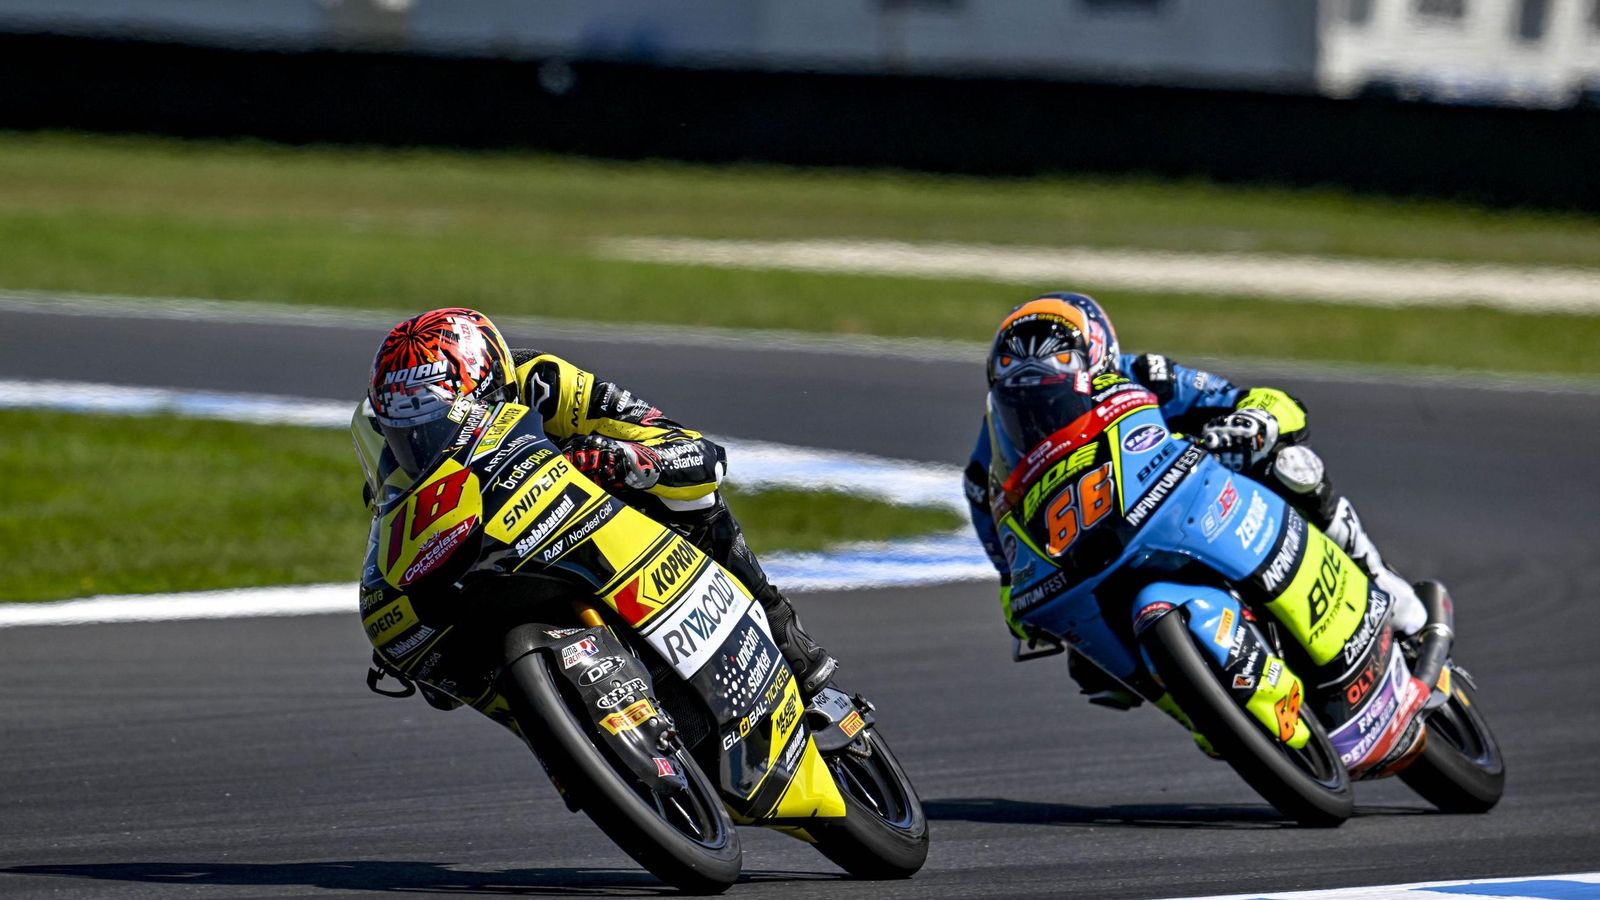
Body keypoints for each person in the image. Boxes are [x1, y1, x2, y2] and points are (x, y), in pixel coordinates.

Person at [963, 292, 1427, 711]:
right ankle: (1203, 712)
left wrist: (1253, 421)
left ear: (1097, 365)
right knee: (1093, 673)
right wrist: (1013, 590)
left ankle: (1382, 583)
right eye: (1020, 404)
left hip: (1187, 500)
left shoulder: (1143, 377)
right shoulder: (988, 456)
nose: (1038, 416)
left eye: (1053, 399)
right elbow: (999, 538)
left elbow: (1258, 400)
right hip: (1092, 549)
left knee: (1292, 466)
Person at [357, 307, 837, 700]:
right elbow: (392, 530)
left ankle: (776, 617)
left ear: (490, 388)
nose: (421, 444)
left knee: (694, 495)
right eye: (407, 434)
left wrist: (627, 460)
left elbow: (698, 454)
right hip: (498, 549)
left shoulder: (545, 381)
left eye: (438, 425)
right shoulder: (392, 460)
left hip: (600, 513)